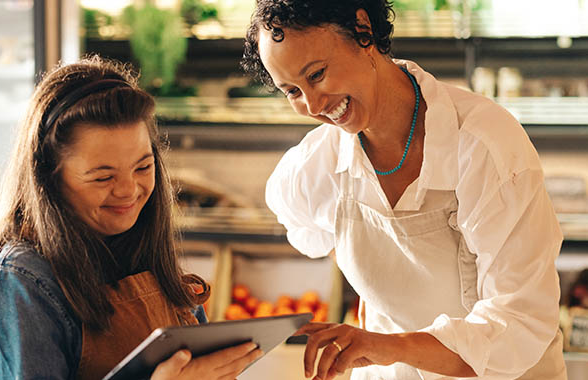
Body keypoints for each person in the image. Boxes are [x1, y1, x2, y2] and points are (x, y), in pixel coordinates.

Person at [241, 1, 566, 379]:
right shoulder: (320, 163)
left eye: (317, 75)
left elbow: (520, 322)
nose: (312, 105)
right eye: (291, 91)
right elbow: (301, 224)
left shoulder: (482, 144)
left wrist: (388, 344)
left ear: (362, 30)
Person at [0, 56, 262, 380]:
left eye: (143, 167)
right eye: (102, 177)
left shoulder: (142, 252)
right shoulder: (19, 284)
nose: (129, 190)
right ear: (48, 179)